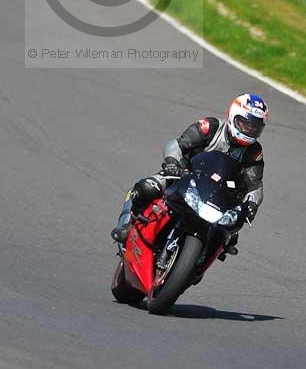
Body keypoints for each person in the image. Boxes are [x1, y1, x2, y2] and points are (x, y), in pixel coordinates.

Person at [111, 93, 268, 257]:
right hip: (184, 175)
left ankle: (203, 257)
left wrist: (252, 205)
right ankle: (127, 226)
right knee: (146, 188)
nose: (249, 129)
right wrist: (172, 162)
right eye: (245, 123)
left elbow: (255, 184)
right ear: (232, 116)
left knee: (231, 233)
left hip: (220, 196)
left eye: (255, 127)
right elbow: (179, 144)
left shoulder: (254, 151)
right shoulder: (211, 127)